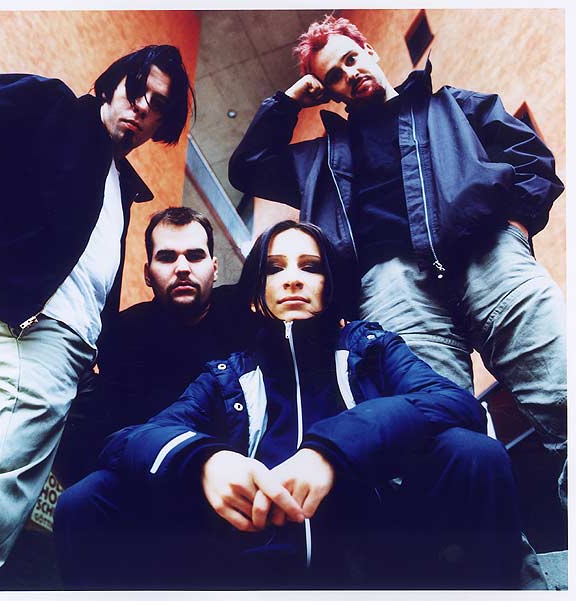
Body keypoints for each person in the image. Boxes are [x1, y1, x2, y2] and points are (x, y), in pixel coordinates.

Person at [54, 221, 522, 590]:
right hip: (249, 567)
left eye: (310, 267)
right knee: (89, 498)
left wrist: (331, 451)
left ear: (328, 285)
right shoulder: (227, 375)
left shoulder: (371, 349)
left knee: (472, 452)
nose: (293, 278)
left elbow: (453, 402)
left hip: (378, 562)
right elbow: (127, 442)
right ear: (256, 295)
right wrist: (205, 461)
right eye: (275, 268)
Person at [228, 16, 567, 501]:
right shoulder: (320, 158)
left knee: (562, 387)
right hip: (391, 284)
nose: (349, 74)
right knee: (442, 437)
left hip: (485, 250)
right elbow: (249, 168)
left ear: (369, 50)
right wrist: (289, 100)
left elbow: (530, 158)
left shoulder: (452, 106)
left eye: (351, 58)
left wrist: (515, 228)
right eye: (334, 77)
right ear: (330, 93)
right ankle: (496, 547)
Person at [0, 45, 193, 578]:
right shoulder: (51, 106)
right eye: (138, 90)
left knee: (7, 488)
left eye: (159, 106)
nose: (142, 108)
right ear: (113, 82)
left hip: (68, 353)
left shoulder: (119, 184)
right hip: (28, 327)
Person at [54, 206, 252, 487]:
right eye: (167, 257)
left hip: (233, 472)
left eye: (195, 256)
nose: (182, 268)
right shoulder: (123, 335)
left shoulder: (244, 316)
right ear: (147, 274)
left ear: (215, 268)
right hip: (147, 473)